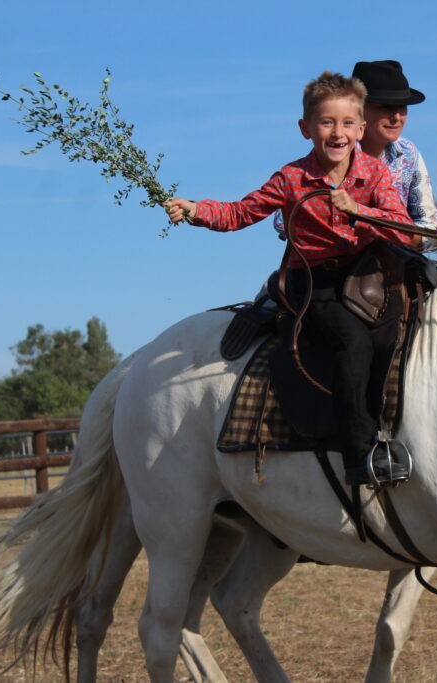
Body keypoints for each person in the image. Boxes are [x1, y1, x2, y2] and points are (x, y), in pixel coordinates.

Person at [164, 71, 415, 487]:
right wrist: (196, 210)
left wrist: (359, 211)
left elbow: (402, 229)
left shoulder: (374, 174)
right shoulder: (290, 178)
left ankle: (398, 430)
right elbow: (240, 213)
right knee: (352, 342)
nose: (338, 133)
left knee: (399, 332)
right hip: (314, 283)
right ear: (306, 128)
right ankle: (358, 455)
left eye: (347, 124)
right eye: (327, 123)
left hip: (367, 276)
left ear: (361, 129)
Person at [273, 59, 437, 239]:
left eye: (402, 107)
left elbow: (429, 226)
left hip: (399, 257)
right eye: (384, 108)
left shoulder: (408, 152)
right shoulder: (333, 153)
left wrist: (403, 238)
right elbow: (283, 222)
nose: (397, 117)